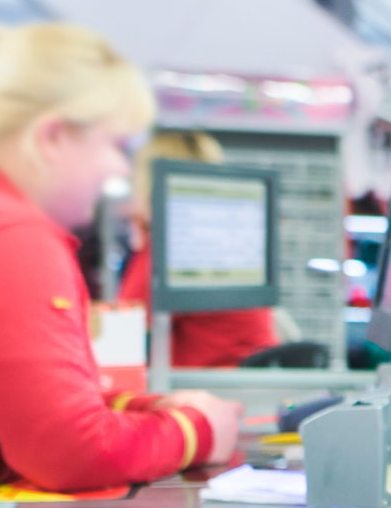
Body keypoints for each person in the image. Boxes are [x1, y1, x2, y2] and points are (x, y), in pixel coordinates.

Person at [0, 24, 244, 492]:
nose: (119, 170)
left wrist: (151, 410)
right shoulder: (14, 238)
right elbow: (69, 449)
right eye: (114, 146)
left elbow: (41, 403)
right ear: (51, 137)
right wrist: (198, 431)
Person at [118, 130, 281, 368]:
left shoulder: (170, 249)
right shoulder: (230, 242)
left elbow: (122, 330)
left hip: (206, 390)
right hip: (245, 384)